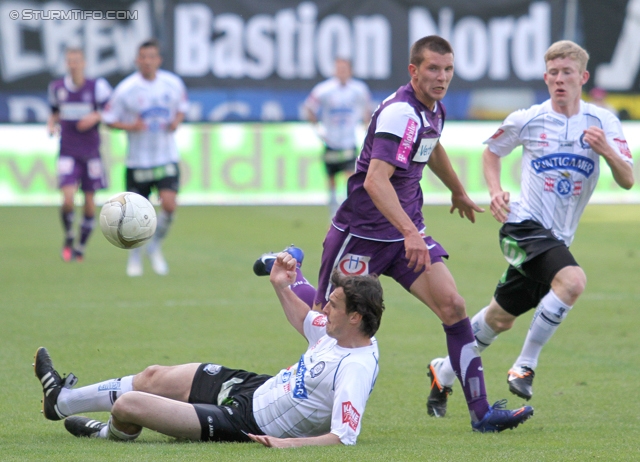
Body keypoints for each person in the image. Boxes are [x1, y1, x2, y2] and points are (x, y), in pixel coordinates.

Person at [259, 36, 534, 432]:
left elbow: (432, 147)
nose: (442, 77)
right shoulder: (399, 114)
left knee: (453, 307)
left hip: (405, 235)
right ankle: (289, 272)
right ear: (413, 71)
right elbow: (375, 180)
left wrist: (456, 189)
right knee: (327, 326)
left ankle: (482, 414)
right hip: (361, 237)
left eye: (448, 69)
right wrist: (410, 232)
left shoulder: (433, 110)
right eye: (433, 69)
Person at [426, 40, 635, 416]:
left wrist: (606, 151)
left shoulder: (603, 123)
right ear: (545, 77)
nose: (559, 80)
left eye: (567, 73)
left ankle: (442, 370)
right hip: (522, 226)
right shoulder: (529, 118)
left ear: (582, 77)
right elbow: (491, 152)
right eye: (552, 73)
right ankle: (525, 365)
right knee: (572, 282)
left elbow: (627, 179)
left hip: (556, 240)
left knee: (498, 319)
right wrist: (494, 191)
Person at [34, 252, 384, 447]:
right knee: (153, 376)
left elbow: (342, 438)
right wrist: (280, 285)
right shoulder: (337, 332)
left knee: (128, 406)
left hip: (245, 423)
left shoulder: (355, 367)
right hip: (253, 387)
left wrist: (287, 445)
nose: (324, 310)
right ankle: (61, 401)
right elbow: (304, 319)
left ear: (355, 318)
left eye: (333, 306)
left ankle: (104, 432)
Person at [102, 39, 188, 277]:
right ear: (137, 60)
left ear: (158, 60)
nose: (148, 61)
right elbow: (108, 119)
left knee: (169, 205)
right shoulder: (126, 89)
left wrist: (176, 121)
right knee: (135, 215)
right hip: (137, 161)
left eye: (152, 56)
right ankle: (135, 254)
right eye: (143, 57)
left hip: (165, 156)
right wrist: (129, 126)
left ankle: (155, 246)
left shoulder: (172, 84)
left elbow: (182, 107)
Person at [47, 48, 112, 262]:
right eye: (69, 61)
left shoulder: (97, 87)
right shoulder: (57, 88)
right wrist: (51, 124)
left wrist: (95, 117)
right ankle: (69, 235)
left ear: (84, 63)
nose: (73, 64)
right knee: (67, 199)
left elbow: (110, 109)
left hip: (91, 152)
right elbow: (54, 112)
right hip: (67, 151)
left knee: (90, 202)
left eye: (76, 61)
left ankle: (81, 247)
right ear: (66, 64)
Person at [304, 58, 372, 217]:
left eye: (344, 69)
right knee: (332, 180)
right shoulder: (324, 89)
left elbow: (367, 108)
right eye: (339, 69)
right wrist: (318, 127)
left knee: (350, 178)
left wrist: (365, 125)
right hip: (331, 141)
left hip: (349, 141)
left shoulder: (359, 89)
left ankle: (348, 214)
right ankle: (333, 214)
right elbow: (309, 107)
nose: (341, 72)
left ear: (350, 71)